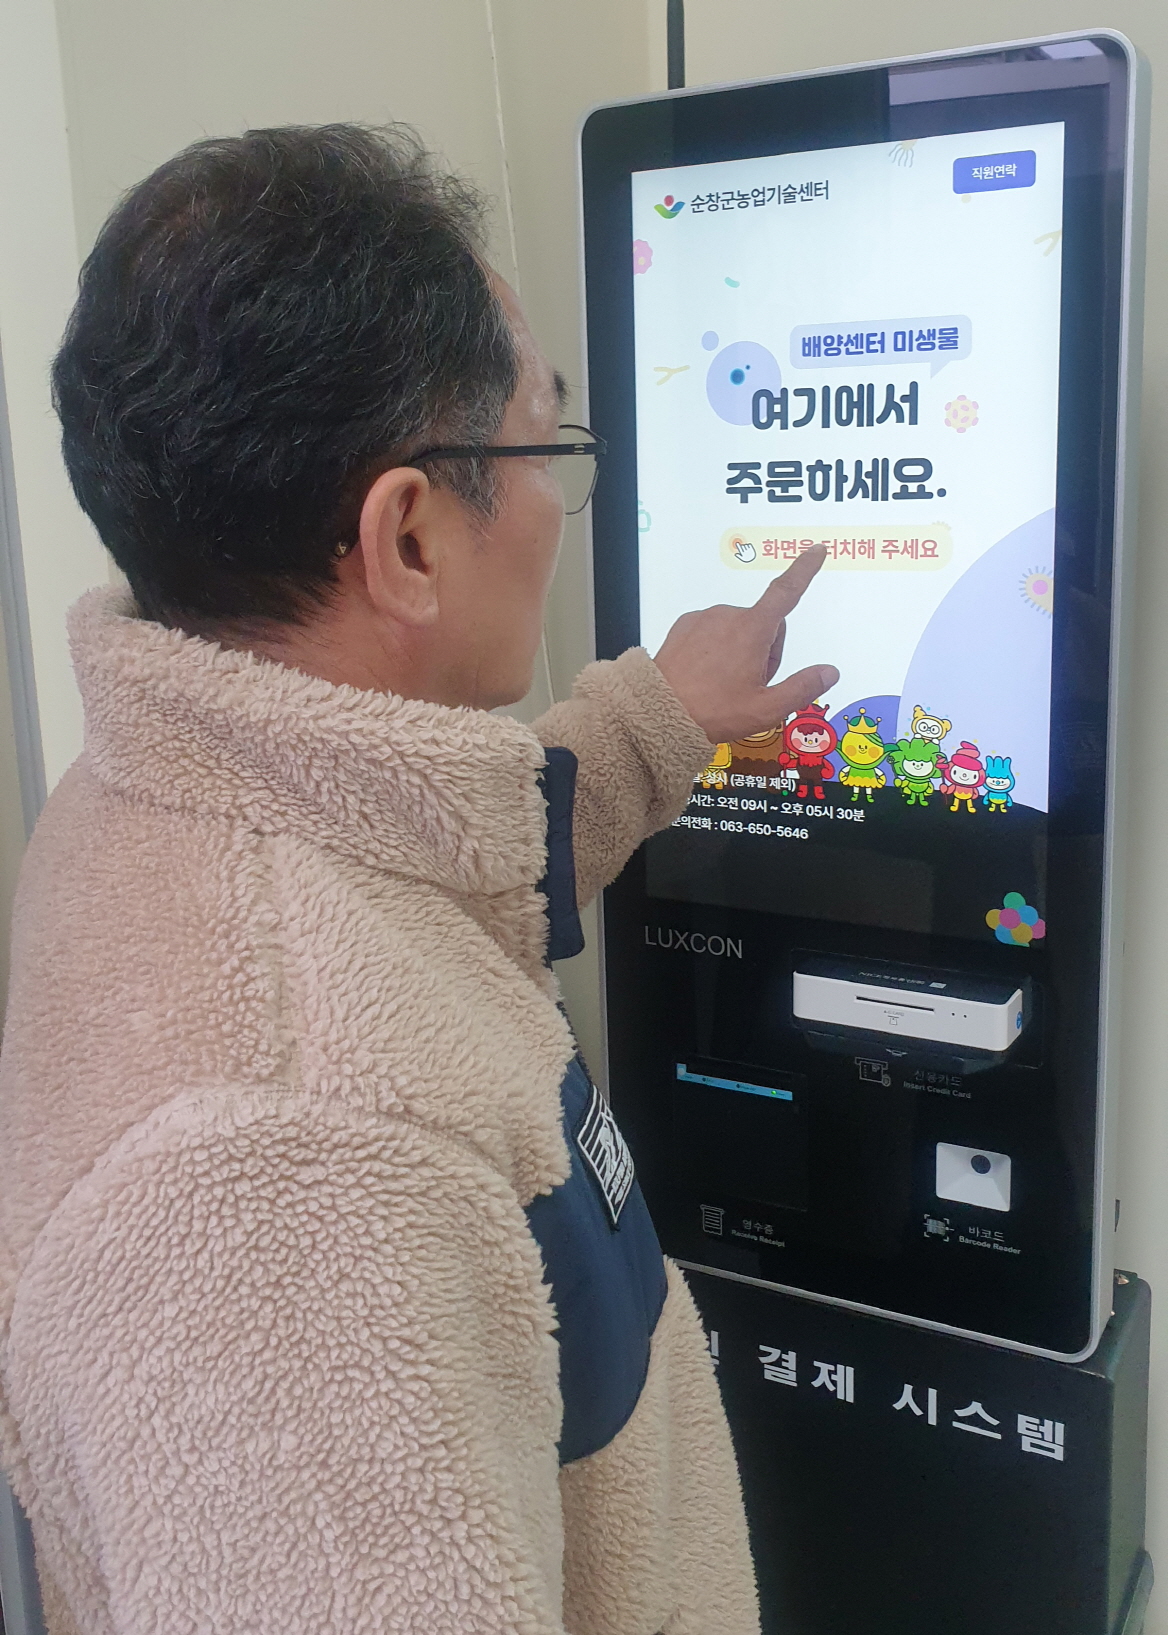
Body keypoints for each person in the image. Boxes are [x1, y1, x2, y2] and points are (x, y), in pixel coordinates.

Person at [0, 124, 837, 1635]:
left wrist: (656, 716)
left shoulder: (173, 784)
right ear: (406, 538)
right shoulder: (281, 1190)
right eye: (546, 445)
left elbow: (429, 877)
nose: (561, 502)